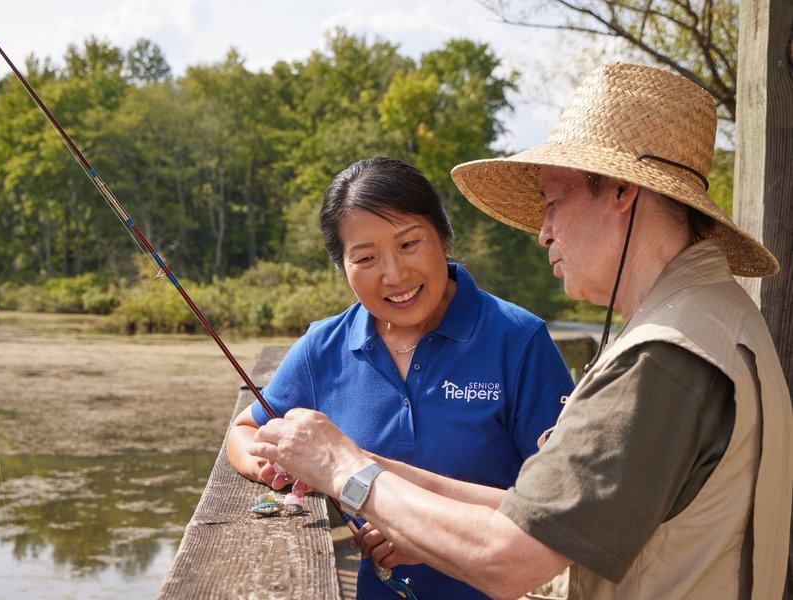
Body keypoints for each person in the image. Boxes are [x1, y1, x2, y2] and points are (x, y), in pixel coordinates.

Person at [247, 63, 793, 599]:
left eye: (554, 202)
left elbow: (508, 557)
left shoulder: (666, 357)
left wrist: (345, 470)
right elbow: (548, 513)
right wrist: (372, 471)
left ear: (624, 191)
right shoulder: (717, 317)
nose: (543, 232)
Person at [226, 156, 575, 598]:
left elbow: (562, 504)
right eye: (366, 257)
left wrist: (427, 536)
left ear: (443, 237)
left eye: (409, 245)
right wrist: (282, 467)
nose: (394, 275)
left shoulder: (518, 339)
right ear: (343, 268)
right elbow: (245, 429)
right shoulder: (323, 346)